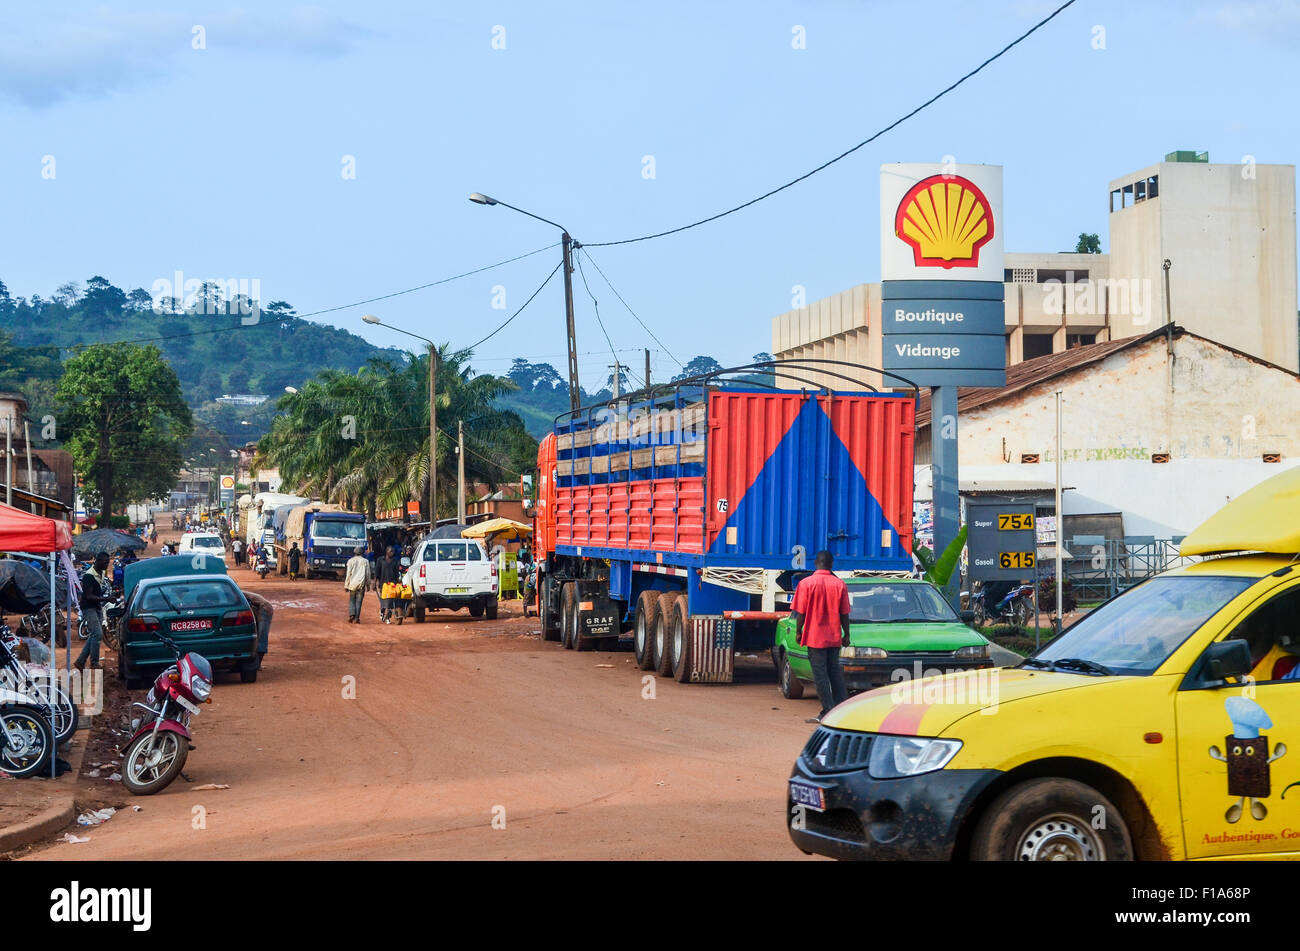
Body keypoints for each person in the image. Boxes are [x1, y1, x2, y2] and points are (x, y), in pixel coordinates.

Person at [789, 550, 851, 724]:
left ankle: (827, 711)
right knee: (834, 671)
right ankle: (841, 709)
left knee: (820, 674)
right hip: (834, 636)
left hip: (815, 636)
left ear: (816, 562)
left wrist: (798, 631)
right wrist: (847, 634)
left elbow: (800, 611)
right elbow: (844, 613)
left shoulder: (806, 583)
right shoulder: (840, 585)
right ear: (831, 564)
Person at [76, 552, 113, 671]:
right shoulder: (89, 576)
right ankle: (94, 662)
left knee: (94, 635)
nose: (107, 565)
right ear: (98, 561)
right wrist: (106, 598)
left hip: (96, 606)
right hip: (88, 607)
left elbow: (97, 593)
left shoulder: (101, 572)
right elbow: (89, 596)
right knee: (97, 634)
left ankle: (81, 661)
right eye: (105, 562)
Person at [243, 589, 273, 670]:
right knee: (259, 637)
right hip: (260, 609)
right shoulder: (238, 592)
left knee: (261, 638)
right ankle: (256, 664)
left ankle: (257, 665)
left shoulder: (239, 594)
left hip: (264, 609)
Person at [343, 545, 371, 623]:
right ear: (362, 553)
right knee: (359, 601)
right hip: (361, 584)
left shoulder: (350, 561)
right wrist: (368, 585)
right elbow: (368, 574)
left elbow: (348, 574)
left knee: (352, 600)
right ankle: (356, 618)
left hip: (352, 584)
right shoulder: (365, 561)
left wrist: (346, 585)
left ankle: (352, 614)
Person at [375, 545, 401, 623]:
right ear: (386, 552)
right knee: (384, 601)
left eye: (393, 551)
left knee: (391, 602)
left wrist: (399, 582)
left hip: (392, 584)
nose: (392, 553)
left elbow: (397, 573)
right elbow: (377, 572)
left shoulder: (395, 561)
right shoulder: (380, 560)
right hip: (383, 584)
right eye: (390, 551)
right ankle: (382, 612)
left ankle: (388, 617)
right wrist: (375, 582)